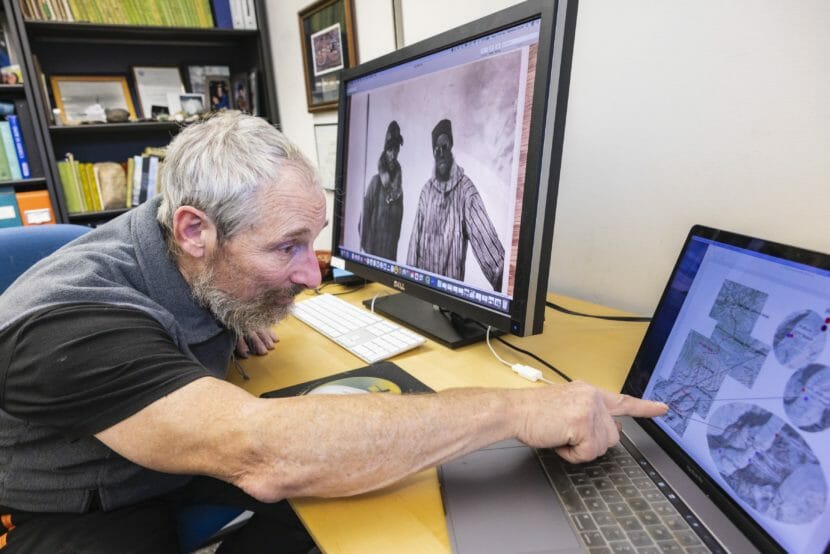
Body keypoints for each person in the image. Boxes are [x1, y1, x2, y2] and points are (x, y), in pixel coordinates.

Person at [0, 111, 666, 552]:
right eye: (286, 248)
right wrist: (518, 408)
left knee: (357, 497)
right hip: (88, 504)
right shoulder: (71, 325)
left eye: (311, 242)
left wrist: (231, 311)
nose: (309, 276)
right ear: (195, 232)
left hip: (165, 454)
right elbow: (262, 453)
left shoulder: (184, 245)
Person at [407, 118, 506, 291]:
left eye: (444, 146)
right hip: (420, 296)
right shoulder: (425, 193)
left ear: (451, 147)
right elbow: (412, 250)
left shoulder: (466, 192)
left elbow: (493, 257)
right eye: (436, 149)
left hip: (449, 304)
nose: (441, 152)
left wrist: (507, 290)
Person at [359, 120, 405, 259]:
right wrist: (367, 251)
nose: (393, 154)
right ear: (385, 151)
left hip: (389, 256)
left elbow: (397, 227)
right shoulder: (375, 183)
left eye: (396, 150)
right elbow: (363, 221)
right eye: (390, 150)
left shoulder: (399, 191)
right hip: (372, 254)